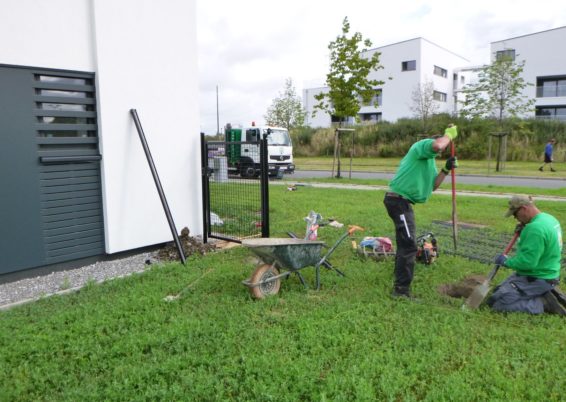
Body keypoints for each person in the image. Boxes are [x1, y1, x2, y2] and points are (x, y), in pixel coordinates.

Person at [384, 125, 458, 299]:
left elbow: (432, 186)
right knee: (409, 245)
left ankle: (399, 282)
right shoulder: (422, 146)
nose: (442, 150)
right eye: (444, 144)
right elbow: (438, 146)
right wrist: (449, 134)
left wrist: (446, 170)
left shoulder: (429, 162)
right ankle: (401, 290)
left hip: (403, 203)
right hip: (398, 200)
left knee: (405, 244)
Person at [487, 195, 564, 315]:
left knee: (497, 303)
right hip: (548, 273)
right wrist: (524, 230)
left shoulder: (535, 228)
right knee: (497, 291)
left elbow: (527, 263)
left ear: (523, 209)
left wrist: (505, 261)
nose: (516, 218)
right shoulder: (549, 219)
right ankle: (543, 292)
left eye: (515, 214)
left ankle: (542, 303)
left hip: (537, 277)